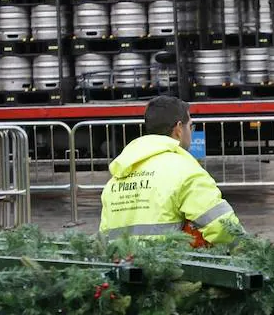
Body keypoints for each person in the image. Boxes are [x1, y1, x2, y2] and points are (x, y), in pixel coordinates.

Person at [100, 95, 240, 246]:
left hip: (123, 264)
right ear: (179, 128)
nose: (191, 132)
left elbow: (103, 237)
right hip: (170, 264)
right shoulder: (185, 170)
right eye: (190, 126)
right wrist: (245, 249)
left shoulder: (117, 177)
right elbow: (222, 226)